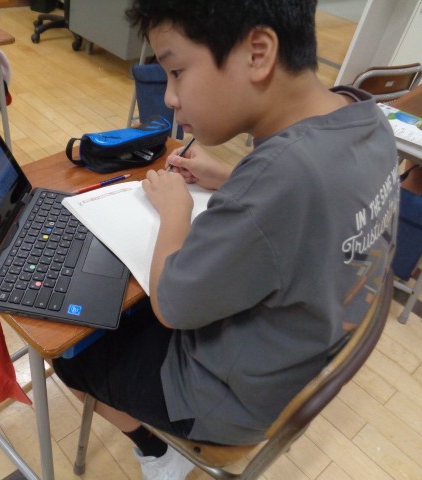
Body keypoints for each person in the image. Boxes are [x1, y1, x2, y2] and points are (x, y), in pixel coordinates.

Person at [52, 1, 399, 479]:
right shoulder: (366, 117)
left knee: (71, 355)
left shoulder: (277, 180)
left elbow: (171, 305)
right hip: (296, 354)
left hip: (225, 400)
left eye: (176, 71)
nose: (170, 97)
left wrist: (175, 209)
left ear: (258, 53)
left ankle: (159, 454)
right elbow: (310, 196)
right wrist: (234, 178)